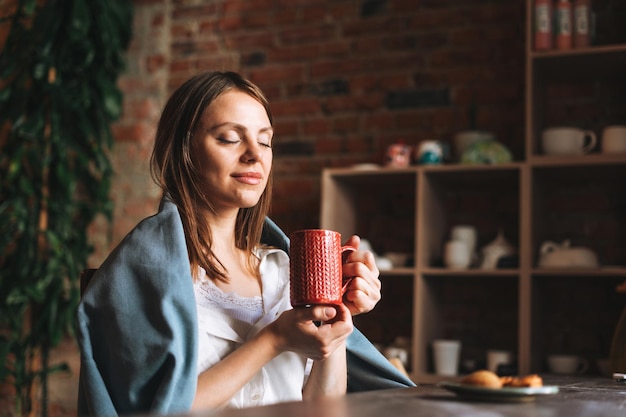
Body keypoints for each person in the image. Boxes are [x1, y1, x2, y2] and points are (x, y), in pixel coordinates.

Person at [76, 70, 414, 416]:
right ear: (183, 151)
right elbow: (157, 411)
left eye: (265, 141)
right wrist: (274, 340)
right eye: (229, 138)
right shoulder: (146, 270)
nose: (255, 155)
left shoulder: (282, 270)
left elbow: (322, 410)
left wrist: (337, 323)